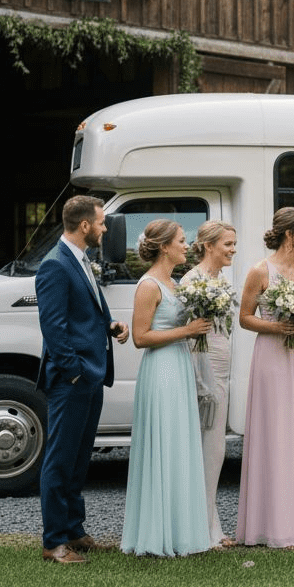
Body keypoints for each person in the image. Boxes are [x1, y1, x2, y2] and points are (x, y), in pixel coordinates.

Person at [34, 195, 129, 564]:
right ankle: (54, 541)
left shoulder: (80, 260)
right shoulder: (55, 265)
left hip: (91, 374)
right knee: (59, 459)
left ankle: (74, 531)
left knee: (77, 459)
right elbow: (54, 328)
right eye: (102, 222)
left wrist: (110, 325)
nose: (105, 229)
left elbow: (86, 310)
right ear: (85, 225)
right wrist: (74, 372)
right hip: (72, 379)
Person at [233, 207, 294, 547]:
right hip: (272, 356)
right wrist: (277, 325)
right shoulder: (259, 271)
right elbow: (246, 318)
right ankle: (274, 524)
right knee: (276, 432)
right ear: (290, 234)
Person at [120, 220, 214, 557]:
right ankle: (156, 533)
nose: (186, 246)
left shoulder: (173, 283)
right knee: (163, 443)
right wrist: (186, 331)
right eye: (181, 241)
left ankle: (180, 531)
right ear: (164, 247)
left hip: (179, 366)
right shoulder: (148, 285)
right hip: (160, 371)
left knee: (179, 444)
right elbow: (141, 337)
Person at [180, 219, 239, 549]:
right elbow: (191, 328)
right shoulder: (193, 280)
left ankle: (210, 524)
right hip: (203, 366)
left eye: (233, 244)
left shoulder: (220, 279)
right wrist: (201, 378)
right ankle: (203, 529)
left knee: (214, 449)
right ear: (209, 245)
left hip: (222, 364)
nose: (232, 249)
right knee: (209, 447)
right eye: (228, 244)